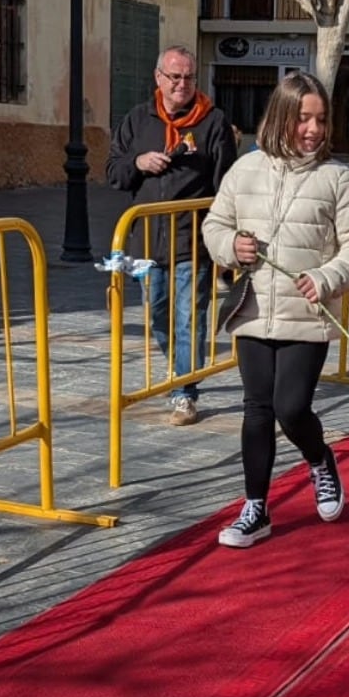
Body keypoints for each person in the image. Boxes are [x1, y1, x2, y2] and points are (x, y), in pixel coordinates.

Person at [202, 71, 349, 548]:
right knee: (257, 409)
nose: (313, 130)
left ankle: (320, 459)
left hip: (308, 314)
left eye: (320, 120)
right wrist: (229, 246)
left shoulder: (337, 178)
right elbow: (215, 225)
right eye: (303, 118)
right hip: (254, 308)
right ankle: (255, 508)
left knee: (291, 406)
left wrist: (326, 278)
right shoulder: (245, 170)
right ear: (281, 117)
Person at [107, 44, 237, 426]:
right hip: (146, 242)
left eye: (189, 77)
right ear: (158, 78)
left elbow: (225, 183)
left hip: (191, 240)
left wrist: (222, 237)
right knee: (159, 315)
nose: (182, 84)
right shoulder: (137, 120)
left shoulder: (212, 122)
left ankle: (184, 394)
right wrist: (137, 162)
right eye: (175, 77)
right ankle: (182, 368)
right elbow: (114, 172)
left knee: (189, 319)